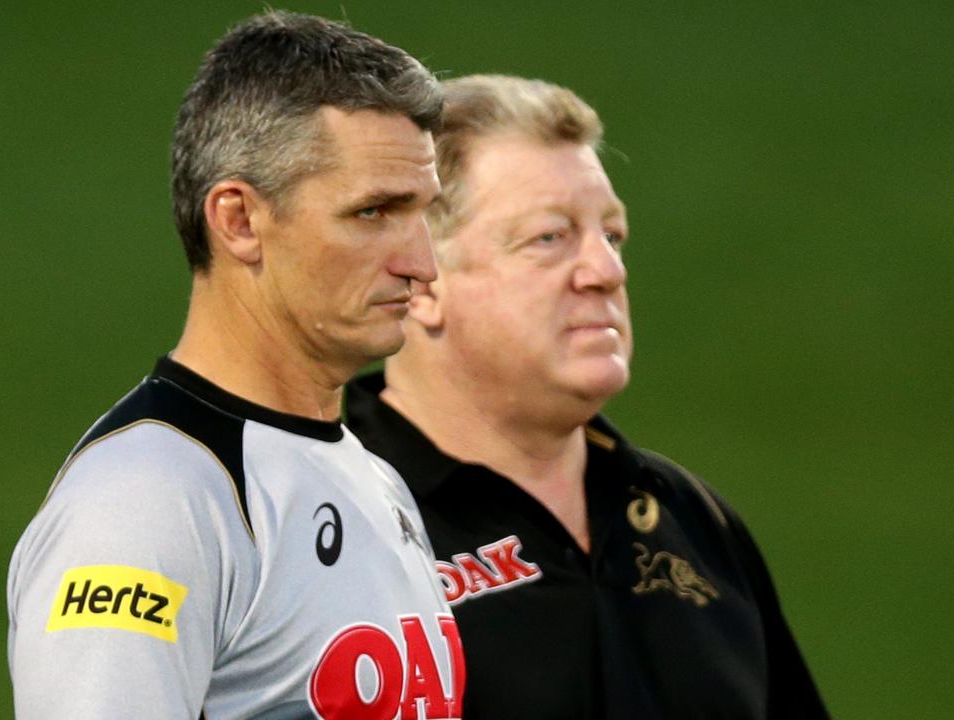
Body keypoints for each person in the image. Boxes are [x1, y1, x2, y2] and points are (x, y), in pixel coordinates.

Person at [7, 13, 466, 719]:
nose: (422, 265)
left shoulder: (376, 483)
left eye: (422, 215)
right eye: (374, 211)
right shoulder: (146, 505)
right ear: (240, 221)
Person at [345, 75, 829, 718]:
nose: (606, 271)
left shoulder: (692, 520)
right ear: (424, 281)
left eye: (612, 235)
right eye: (551, 237)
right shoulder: (323, 525)